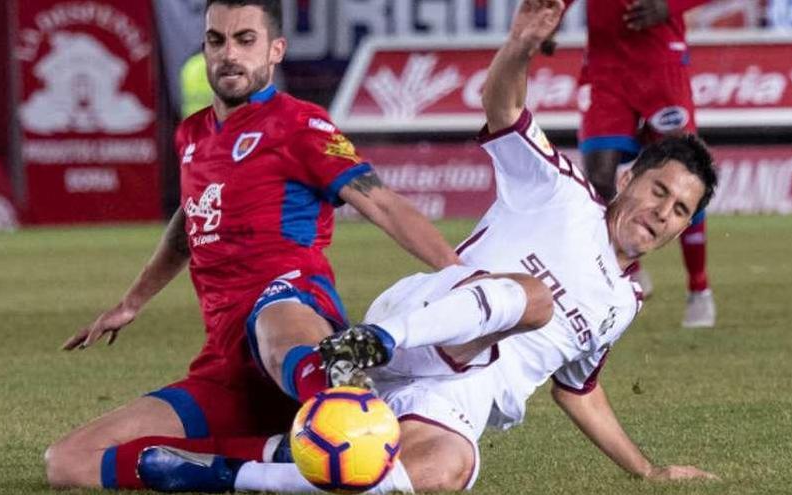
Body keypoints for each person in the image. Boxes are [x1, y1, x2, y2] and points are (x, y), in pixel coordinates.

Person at [132, 1, 719, 491]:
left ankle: (235, 472)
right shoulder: (561, 190)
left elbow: (579, 390)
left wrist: (648, 470)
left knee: (440, 471)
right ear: (626, 181)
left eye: (679, 209)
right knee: (534, 299)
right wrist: (519, 45)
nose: (660, 213)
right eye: (657, 190)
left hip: (463, 394)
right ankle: (366, 345)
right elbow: (504, 109)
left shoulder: (623, 304)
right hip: (422, 322)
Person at [43, 0, 460, 490]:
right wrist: (131, 302)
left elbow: (383, 204)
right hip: (226, 364)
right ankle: (267, 460)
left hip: (294, 313)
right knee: (68, 462)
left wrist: (462, 277)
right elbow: (189, 220)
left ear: (275, 51)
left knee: (273, 312)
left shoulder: (300, 125)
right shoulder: (192, 134)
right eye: (216, 40)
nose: (228, 54)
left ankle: (340, 400)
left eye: (245, 40)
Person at [555, 0, 717, 327]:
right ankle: (615, 275)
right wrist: (553, 14)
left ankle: (699, 288)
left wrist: (670, 6)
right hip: (606, 65)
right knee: (598, 181)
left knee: (685, 174)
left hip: (660, 63)